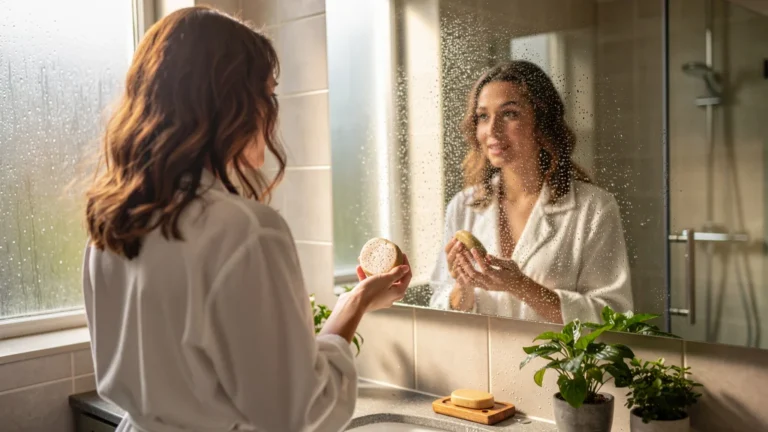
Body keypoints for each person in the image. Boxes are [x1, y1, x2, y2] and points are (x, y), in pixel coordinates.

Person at [82, 7, 412, 432]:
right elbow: (300, 413)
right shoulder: (245, 230)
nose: (272, 111)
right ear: (230, 102)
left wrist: (356, 301)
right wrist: (357, 306)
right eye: (268, 94)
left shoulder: (113, 223)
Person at [429, 61, 632, 324]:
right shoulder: (463, 206)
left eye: (509, 114)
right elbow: (439, 307)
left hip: (557, 354)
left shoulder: (593, 208)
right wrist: (462, 288)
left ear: (542, 122)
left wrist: (521, 286)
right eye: (483, 116)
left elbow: (613, 317)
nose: (492, 131)